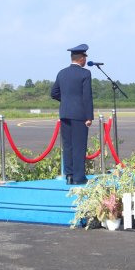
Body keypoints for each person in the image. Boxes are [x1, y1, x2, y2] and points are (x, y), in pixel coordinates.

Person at [51, 44, 94, 185]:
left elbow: (54, 93)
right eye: (85, 58)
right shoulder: (85, 73)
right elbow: (87, 97)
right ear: (81, 58)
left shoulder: (61, 73)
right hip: (79, 115)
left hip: (64, 113)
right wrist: (89, 116)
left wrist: (66, 101)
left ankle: (69, 176)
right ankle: (79, 177)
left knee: (68, 145)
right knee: (79, 146)